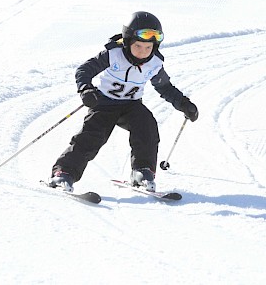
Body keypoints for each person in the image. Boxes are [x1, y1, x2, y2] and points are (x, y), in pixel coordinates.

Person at [49, 11, 198, 192]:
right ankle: (64, 173)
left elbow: (165, 87)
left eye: (148, 48)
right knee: (92, 136)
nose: (143, 52)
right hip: (104, 103)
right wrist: (86, 89)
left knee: (147, 127)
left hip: (131, 106)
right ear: (127, 42)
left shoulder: (155, 63)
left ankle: (142, 171)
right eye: (138, 47)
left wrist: (183, 103)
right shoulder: (113, 54)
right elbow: (84, 70)